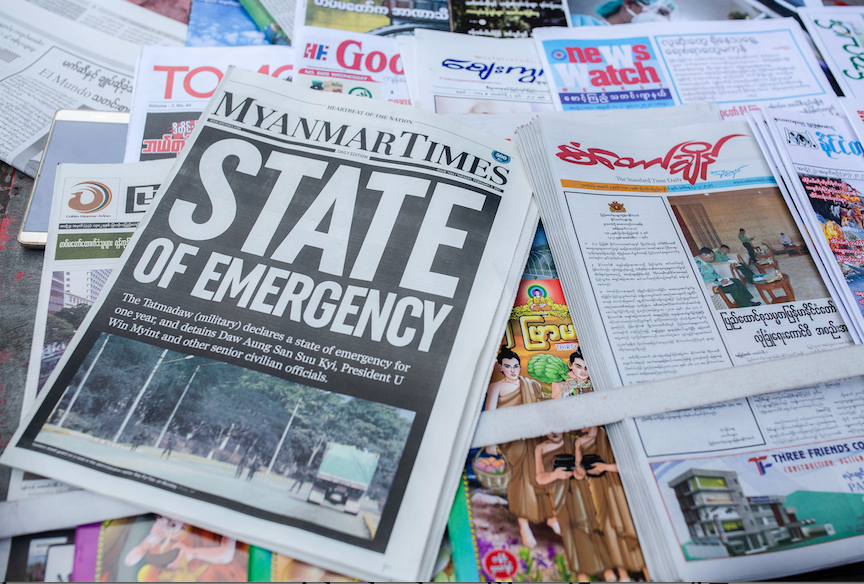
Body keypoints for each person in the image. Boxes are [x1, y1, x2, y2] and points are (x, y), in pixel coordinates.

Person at [484, 345, 555, 548]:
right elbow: (489, 415)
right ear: (500, 368)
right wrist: (491, 442)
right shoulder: (495, 387)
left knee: (542, 472)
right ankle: (524, 525)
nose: (513, 370)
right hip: (510, 440)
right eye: (508, 366)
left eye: (516, 366)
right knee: (519, 478)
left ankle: (550, 516)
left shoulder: (531, 384)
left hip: (534, 436)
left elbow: (543, 409)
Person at [574, 427, 647, 583]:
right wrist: (580, 471)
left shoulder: (609, 435)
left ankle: (647, 573)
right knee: (607, 527)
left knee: (627, 524)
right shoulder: (579, 441)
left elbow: (630, 465)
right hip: (595, 487)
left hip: (616, 487)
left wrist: (604, 467)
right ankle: (623, 574)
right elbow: (578, 468)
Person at [534, 432, 608, 581]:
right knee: (570, 534)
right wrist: (554, 475)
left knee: (591, 527)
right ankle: (582, 575)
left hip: (580, 491)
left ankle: (607, 571)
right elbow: (539, 477)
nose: (554, 433)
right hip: (557, 493)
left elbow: (584, 468)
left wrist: (579, 473)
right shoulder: (540, 448)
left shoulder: (574, 441)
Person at [694, 248, 761, 307]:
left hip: (717, 280)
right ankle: (746, 306)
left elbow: (714, 273)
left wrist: (722, 279)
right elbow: (702, 281)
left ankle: (747, 301)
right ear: (703, 255)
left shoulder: (705, 261)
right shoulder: (696, 264)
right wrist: (720, 283)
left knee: (736, 281)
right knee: (732, 287)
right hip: (712, 285)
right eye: (711, 257)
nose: (712, 260)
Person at [593, 0, 676, 24]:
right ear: (628, 3)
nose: (658, 18)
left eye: (664, 13)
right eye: (653, 9)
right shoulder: (584, 24)